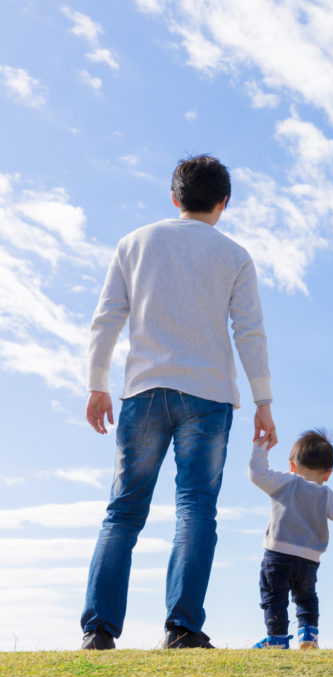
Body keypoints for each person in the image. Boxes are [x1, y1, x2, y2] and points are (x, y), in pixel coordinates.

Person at [81, 155, 277, 650]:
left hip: (144, 391)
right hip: (208, 397)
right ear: (223, 203)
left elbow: (107, 319)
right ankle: (183, 627)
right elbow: (249, 333)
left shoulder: (134, 243)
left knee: (123, 511)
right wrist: (264, 401)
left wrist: (97, 383)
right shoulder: (234, 255)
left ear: (175, 197)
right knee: (196, 511)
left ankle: (99, 630)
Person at [248, 429, 333, 650]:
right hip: (309, 560)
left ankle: (276, 638)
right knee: (306, 598)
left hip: (278, 556)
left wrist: (260, 447)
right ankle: (308, 634)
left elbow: (257, 474)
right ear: (328, 473)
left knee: (274, 597)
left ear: (292, 465)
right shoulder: (326, 494)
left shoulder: (284, 481)